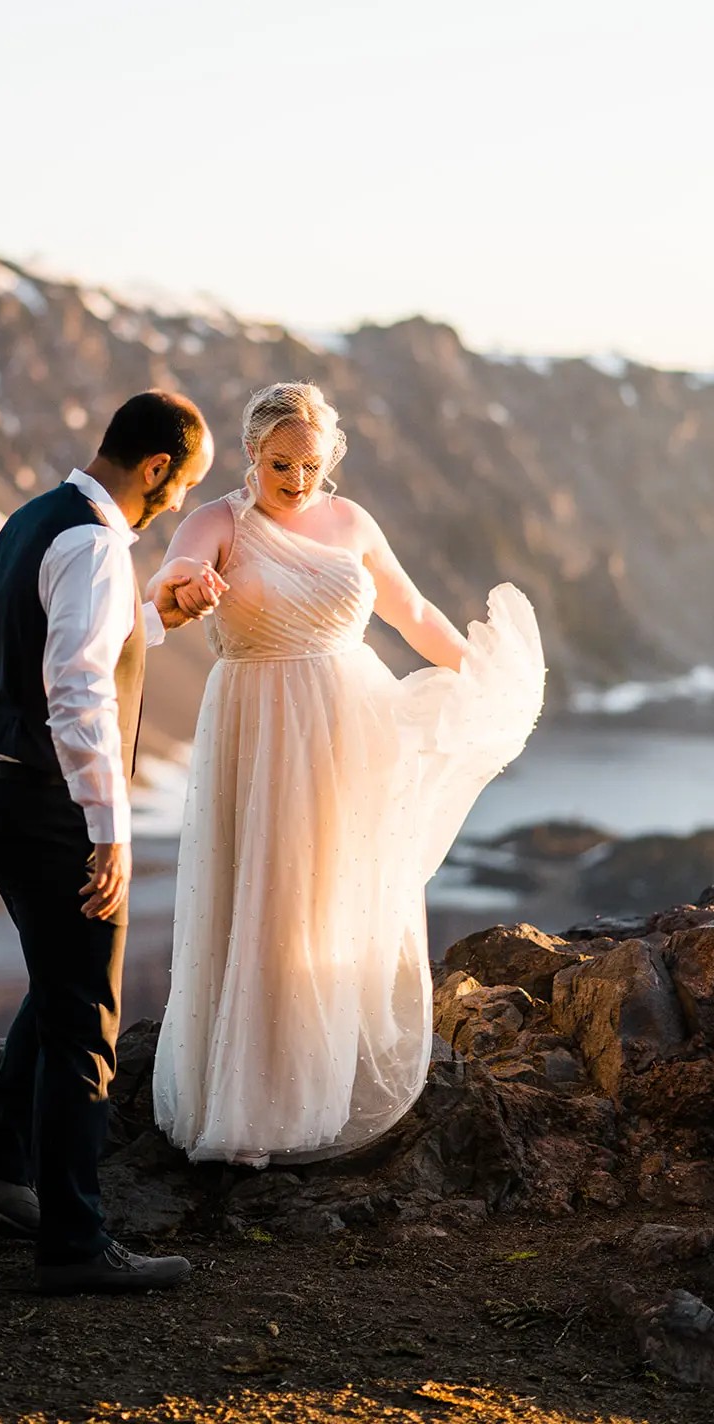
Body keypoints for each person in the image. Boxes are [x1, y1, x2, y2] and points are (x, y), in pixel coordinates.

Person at [150, 381, 545, 1166]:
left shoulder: (352, 520)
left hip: (349, 728)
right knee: (264, 894)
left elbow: (413, 614)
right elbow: (170, 584)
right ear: (250, 454)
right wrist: (187, 589)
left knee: (330, 895)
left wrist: (480, 671)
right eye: (278, 464)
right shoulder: (217, 520)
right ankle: (249, 1105)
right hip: (257, 727)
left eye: (309, 464)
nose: (295, 481)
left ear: (329, 456)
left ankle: (314, 1084)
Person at [0, 390, 225, 1293]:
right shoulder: (99, 545)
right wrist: (107, 835)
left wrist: (159, 620)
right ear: (155, 470)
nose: (180, 503)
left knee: (60, 984)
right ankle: (74, 1241)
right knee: (87, 1026)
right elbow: (76, 695)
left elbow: (60, 649)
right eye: (184, 485)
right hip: (48, 809)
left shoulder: (36, 518)